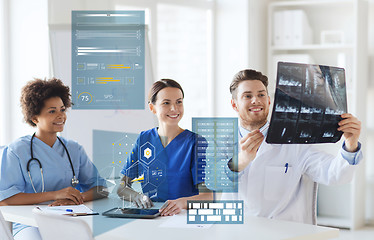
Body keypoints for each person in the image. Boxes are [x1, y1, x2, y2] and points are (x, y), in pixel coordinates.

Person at [225, 69, 362, 224]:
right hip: (239, 232)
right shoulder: (221, 142)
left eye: (261, 94)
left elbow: (334, 175)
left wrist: (351, 145)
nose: (256, 100)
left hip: (285, 233)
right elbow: (210, 185)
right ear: (234, 105)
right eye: (247, 96)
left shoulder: (294, 141)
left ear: (269, 101)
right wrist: (240, 162)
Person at [0, 78, 108, 239]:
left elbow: (101, 188)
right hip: (29, 222)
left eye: (62, 110)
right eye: (52, 111)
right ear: (35, 118)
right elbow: (6, 199)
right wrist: (55, 195)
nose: (61, 116)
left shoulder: (74, 149)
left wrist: (76, 198)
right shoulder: (16, 151)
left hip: (69, 219)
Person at [117, 79, 213, 216]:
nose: (174, 109)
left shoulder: (196, 143)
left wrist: (181, 202)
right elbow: (122, 187)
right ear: (152, 108)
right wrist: (138, 196)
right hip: (152, 215)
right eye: (166, 103)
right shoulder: (144, 139)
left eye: (179, 102)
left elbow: (208, 197)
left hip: (184, 216)